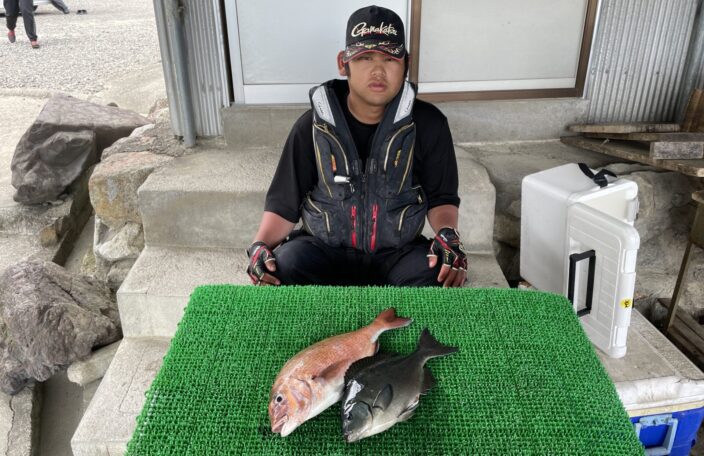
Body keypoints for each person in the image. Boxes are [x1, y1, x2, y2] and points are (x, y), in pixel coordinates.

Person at [246, 5, 467, 288]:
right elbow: (283, 205)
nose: (378, 70)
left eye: (390, 59)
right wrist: (260, 246)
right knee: (282, 267)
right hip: (323, 251)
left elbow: (442, 198)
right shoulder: (311, 127)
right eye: (365, 57)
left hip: (398, 253)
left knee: (440, 275)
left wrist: (448, 236)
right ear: (343, 63)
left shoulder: (428, 124)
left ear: (406, 64)